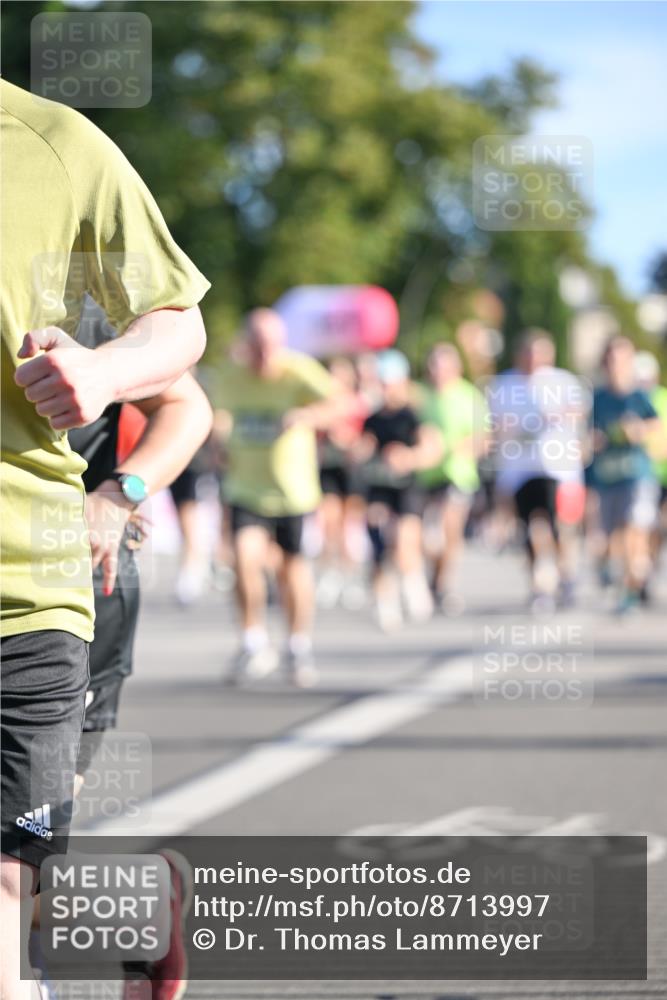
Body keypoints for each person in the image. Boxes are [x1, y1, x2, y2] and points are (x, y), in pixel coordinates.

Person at [1, 80, 209, 1000]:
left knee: (30, 846)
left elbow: (186, 404)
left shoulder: (86, 292)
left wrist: (118, 496)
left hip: (77, 575)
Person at [215, 308, 342, 686]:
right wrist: (218, 437)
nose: (265, 354)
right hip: (245, 487)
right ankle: (253, 642)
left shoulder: (298, 370)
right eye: (257, 346)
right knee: (243, 559)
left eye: (271, 346)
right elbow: (216, 413)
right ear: (246, 345)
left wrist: (307, 416)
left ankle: (297, 645)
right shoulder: (230, 376)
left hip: (293, 492)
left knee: (292, 570)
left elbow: (342, 404)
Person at [487, 329, 588, 611]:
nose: (533, 360)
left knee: (559, 527)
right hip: (519, 468)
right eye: (528, 354)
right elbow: (493, 424)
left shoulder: (563, 381)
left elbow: (579, 412)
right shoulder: (503, 384)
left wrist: (556, 416)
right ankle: (539, 583)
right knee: (530, 527)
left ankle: (564, 573)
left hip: (557, 468)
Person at [352, 350, 441, 632]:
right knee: (378, 544)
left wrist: (408, 457)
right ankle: (384, 599)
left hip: (407, 488)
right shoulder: (373, 418)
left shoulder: (414, 415)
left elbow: (432, 449)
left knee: (404, 540)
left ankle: (414, 582)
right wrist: (357, 451)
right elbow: (362, 447)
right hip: (379, 486)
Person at [591, 337, 661, 614]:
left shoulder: (639, 396)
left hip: (638, 475)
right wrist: (594, 441)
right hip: (608, 477)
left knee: (634, 530)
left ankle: (630, 591)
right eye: (611, 360)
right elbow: (588, 434)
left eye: (621, 360)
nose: (616, 366)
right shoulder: (598, 398)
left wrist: (639, 431)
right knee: (613, 539)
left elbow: (655, 425)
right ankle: (623, 575)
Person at [418, 343, 488, 614]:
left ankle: (444, 584)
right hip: (425, 475)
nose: (438, 371)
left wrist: (457, 448)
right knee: (428, 535)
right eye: (434, 366)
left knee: (449, 529)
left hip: (458, 474)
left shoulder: (469, 396)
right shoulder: (421, 396)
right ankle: (434, 576)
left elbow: (484, 437)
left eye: (443, 365)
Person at [316, 357, 369, 611]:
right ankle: (330, 572)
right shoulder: (321, 403)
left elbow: (363, 437)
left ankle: (351, 576)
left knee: (350, 527)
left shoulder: (358, 402)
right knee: (329, 522)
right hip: (328, 467)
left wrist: (349, 440)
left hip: (350, 470)